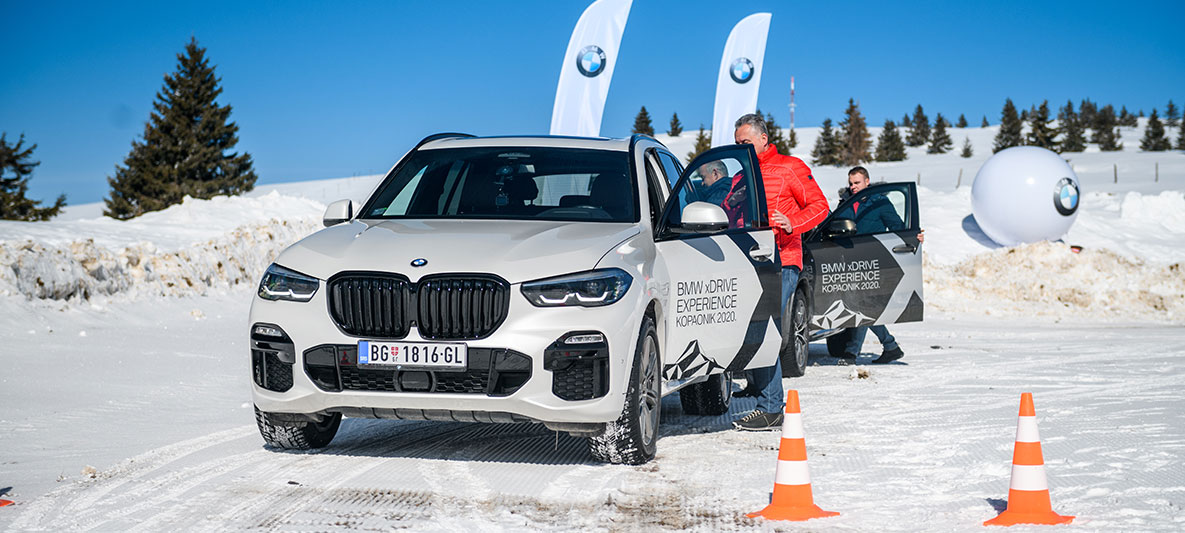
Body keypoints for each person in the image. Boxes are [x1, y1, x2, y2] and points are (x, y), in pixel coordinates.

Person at [731, 113, 829, 431]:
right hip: (745, 261)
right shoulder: (739, 175)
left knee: (766, 329)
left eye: (745, 142)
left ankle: (772, 407)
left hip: (782, 260)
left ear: (763, 138)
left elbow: (819, 206)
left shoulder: (790, 167)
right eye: (737, 144)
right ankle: (761, 389)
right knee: (748, 327)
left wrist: (792, 223)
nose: (741, 148)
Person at [835, 166, 922, 364]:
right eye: (850, 183)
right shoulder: (845, 203)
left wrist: (914, 236)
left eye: (857, 183)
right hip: (849, 262)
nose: (853, 187)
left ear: (867, 181)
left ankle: (851, 353)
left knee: (863, 304)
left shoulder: (880, 202)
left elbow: (897, 226)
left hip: (875, 260)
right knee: (865, 306)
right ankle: (890, 346)